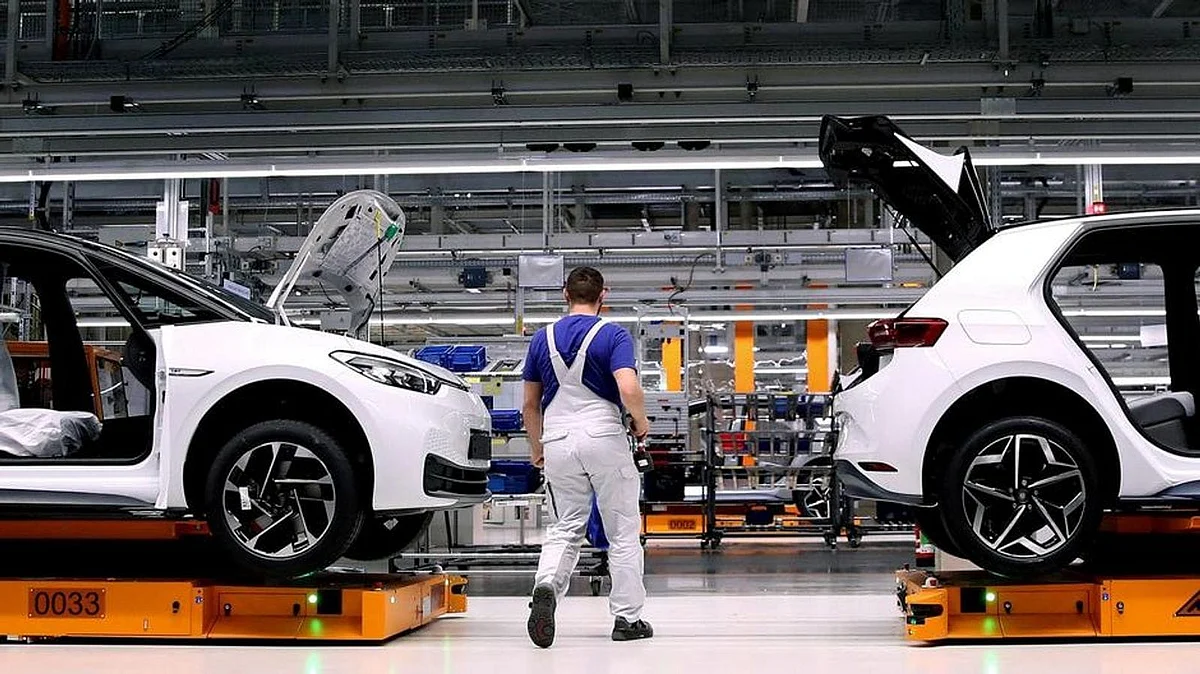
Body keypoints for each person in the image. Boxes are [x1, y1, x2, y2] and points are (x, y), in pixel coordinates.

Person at [522, 266, 652, 648]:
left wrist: (537, 448)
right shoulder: (613, 334)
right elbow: (628, 387)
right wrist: (641, 422)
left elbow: (529, 404)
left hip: (558, 440)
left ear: (565, 294)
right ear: (603, 295)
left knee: (564, 527)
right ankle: (627, 619)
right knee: (622, 530)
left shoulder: (542, 338)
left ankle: (547, 585)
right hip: (604, 437)